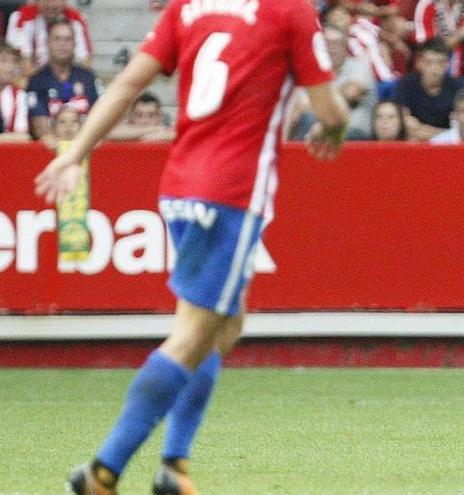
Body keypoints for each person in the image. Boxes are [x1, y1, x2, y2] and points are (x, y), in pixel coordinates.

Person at [34, 0, 349, 493]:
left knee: (227, 321)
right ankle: (103, 471)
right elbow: (329, 107)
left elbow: (128, 82)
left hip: (179, 185)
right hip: (232, 193)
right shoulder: (290, 11)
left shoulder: (187, 7)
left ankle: (174, 469)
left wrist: (76, 152)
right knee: (193, 335)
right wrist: (337, 126)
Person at [26, 18, 100, 145]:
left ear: (75, 44)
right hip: (50, 151)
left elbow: (99, 118)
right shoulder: (36, 81)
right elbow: (40, 128)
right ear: (47, 43)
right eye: (57, 39)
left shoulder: (88, 78)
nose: (63, 44)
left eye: (68, 39)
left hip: (86, 148)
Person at [393, 38, 459, 141]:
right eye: (429, 62)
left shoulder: (457, 88)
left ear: (447, 64)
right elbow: (408, 125)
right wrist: (445, 134)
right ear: (419, 63)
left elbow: (459, 132)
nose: (435, 69)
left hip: (446, 147)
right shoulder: (406, 85)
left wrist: (423, 131)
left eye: (440, 63)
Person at [5, 0, 92, 76]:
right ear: (37, 1)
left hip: (66, 79)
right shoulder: (21, 17)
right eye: (46, 0)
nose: (51, 5)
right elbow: (22, 66)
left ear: (65, 2)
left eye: (56, 0)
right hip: (30, 80)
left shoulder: (76, 19)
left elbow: (85, 64)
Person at [411, 0, 464, 76]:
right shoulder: (426, 4)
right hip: (433, 66)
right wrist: (462, 33)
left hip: (462, 63)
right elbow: (429, 50)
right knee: (431, 58)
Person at [106, 91, 175, 141]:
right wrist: (154, 129)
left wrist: (130, 136)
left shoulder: (168, 129)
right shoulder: (121, 129)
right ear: (131, 117)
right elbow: (108, 134)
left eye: (151, 115)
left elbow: (174, 135)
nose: (145, 120)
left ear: (159, 117)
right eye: (139, 115)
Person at [0, 40, 28, 141]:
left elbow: (23, 136)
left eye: (14, 61)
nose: (10, 67)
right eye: (4, 61)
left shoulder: (19, 95)